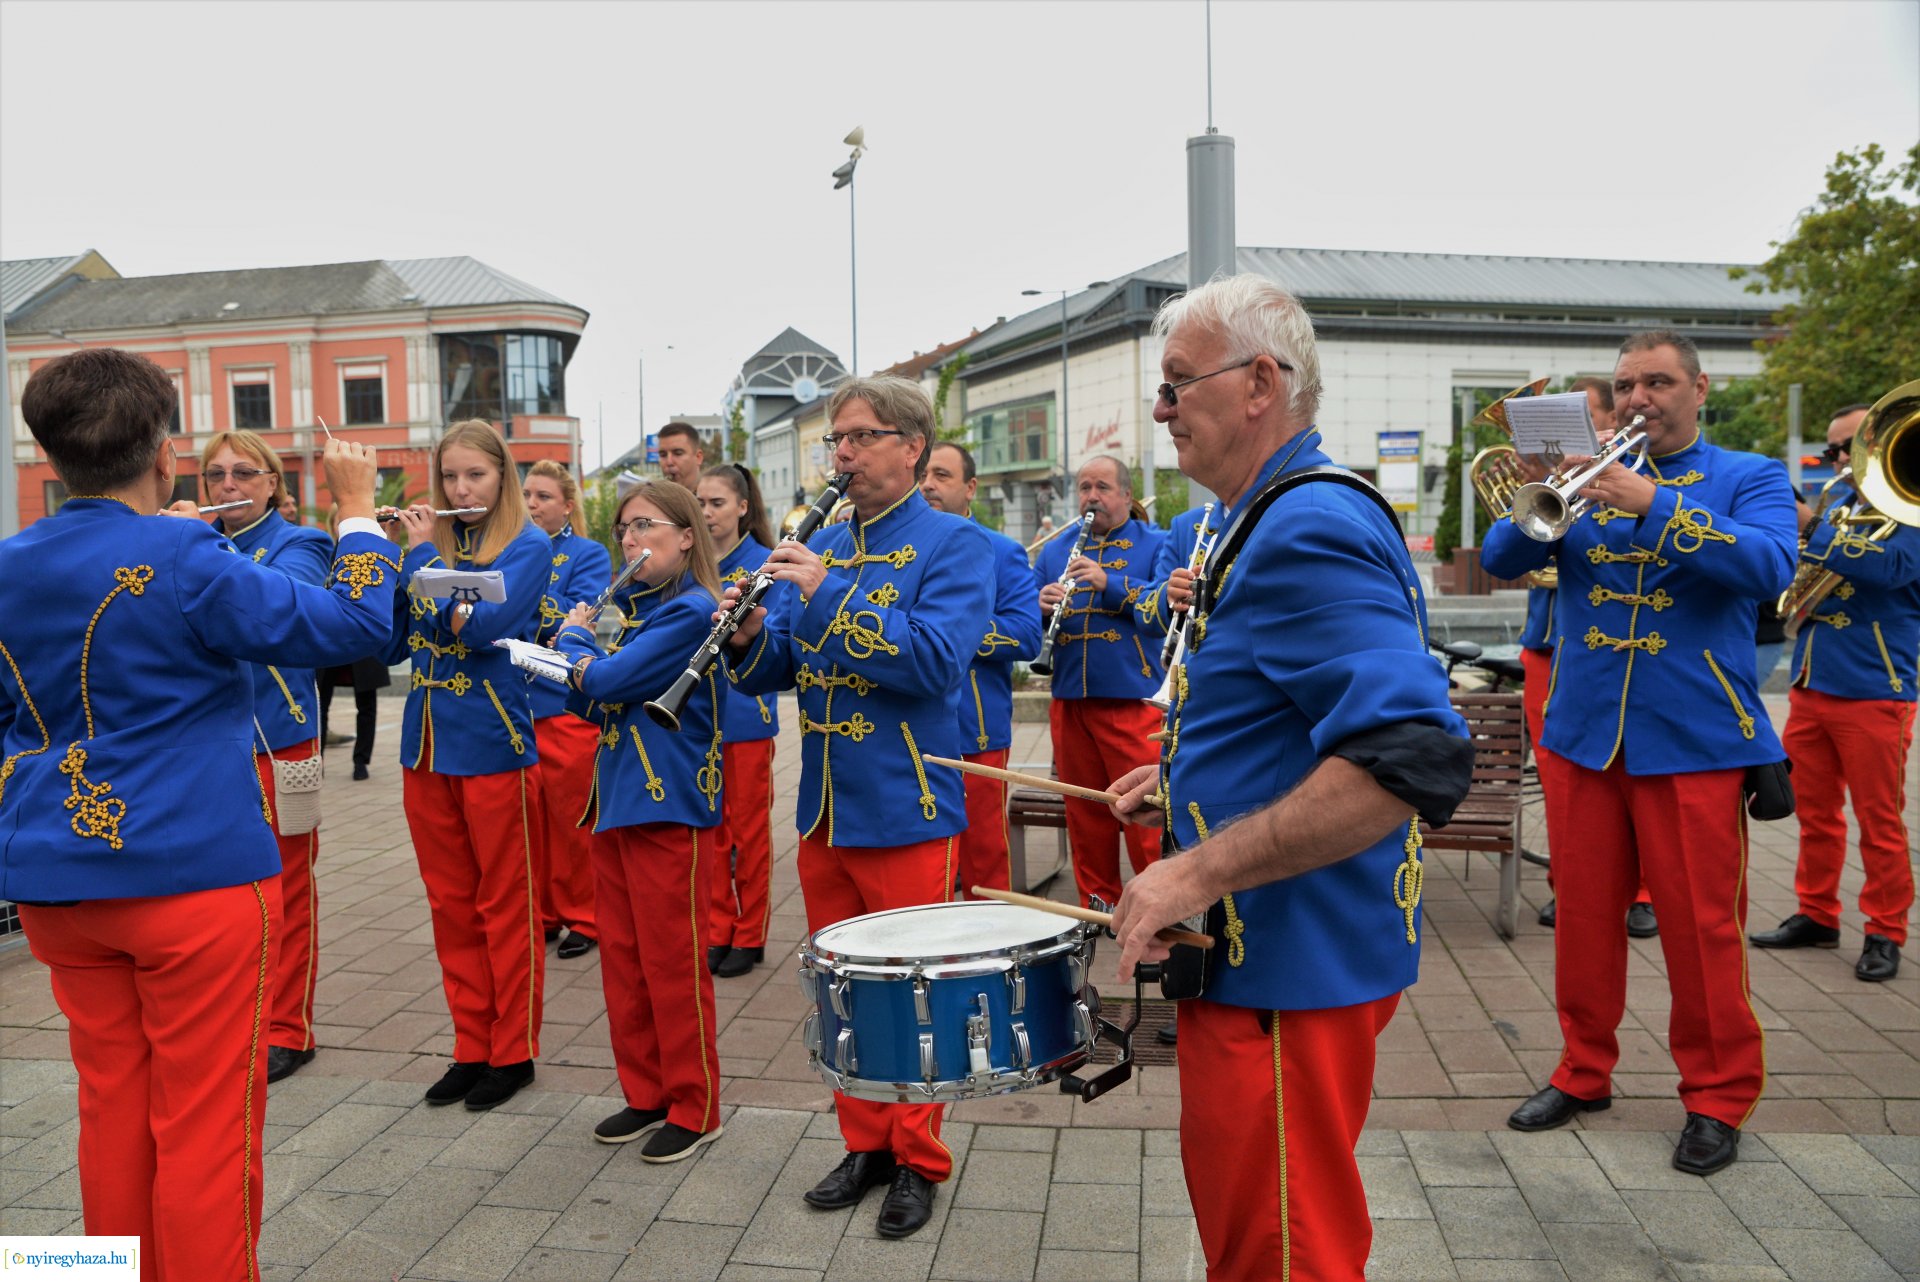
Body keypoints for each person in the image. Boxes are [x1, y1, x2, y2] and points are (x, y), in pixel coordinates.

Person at [2, 347, 400, 1280]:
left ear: (52, 455)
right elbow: (352, 629)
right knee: (207, 1126)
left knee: (111, 1109)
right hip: (193, 876)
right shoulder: (184, 549)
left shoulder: (10, 564)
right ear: (165, 451)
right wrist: (354, 512)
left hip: (60, 879)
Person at [1105, 275, 1473, 1282]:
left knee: (1280, 1246)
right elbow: (1295, 715)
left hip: (1282, 959)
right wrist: (1181, 777)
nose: (1160, 408)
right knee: (1258, 1228)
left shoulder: (1304, 523)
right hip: (1279, 952)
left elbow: (1408, 757)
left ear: (1259, 381)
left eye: (1178, 383)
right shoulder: (1267, 511)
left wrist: (1191, 871)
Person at [1484, 330, 1797, 1176]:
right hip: (1587, 735)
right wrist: (1547, 490)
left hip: (1692, 738)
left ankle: (1717, 1097)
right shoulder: (1583, 481)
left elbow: (1771, 566)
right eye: (1626, 385)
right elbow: (1501, 556)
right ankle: (1583, 1071)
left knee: (1701, 929)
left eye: (1658, 382)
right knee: (1584, 920)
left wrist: (1651, 503)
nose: (1638, 400)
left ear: (1700, 389)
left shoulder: (1750, 476)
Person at [725, 375, 991, 1239]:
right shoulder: (830, 539)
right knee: (842, 992)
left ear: (910, 446)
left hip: (908, 805)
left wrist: (822, 594)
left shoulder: (956, 543)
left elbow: (935, 663)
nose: (841, 454)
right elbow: (789, 669)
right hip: (827, 811)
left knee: (917, 994)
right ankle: (865, 1142)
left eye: (859, 436)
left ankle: (920, 1158)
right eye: (836, 440)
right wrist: (747, 638)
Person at [550, 480, 728, 1161]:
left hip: (670, 801)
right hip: (620, 797)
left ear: (687, 537)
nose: (629, 540)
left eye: (646, 526)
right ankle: (647, 1090)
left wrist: (570, 647)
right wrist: (570, 665)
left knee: (671, 961)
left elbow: (604, 684)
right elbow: (594, 704)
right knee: (624, 962)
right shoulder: (638, 612)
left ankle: (696, 1103)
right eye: (623, 529)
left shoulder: (690, 610)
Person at [385, 420, 552, 1111]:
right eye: (449, 476)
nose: (460, 489)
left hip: (491, 743)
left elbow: (482, 629)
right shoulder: (433, 549)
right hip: (424, 744)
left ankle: (512, 1050)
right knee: (450, 905)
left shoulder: (530, 544)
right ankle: (469, 1045)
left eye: (474, 476)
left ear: (501, 477)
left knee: (504, 905)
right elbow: (392, 645)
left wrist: (424, 557)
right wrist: (389, 561)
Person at [1750, 401, 1918, 982]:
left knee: (1881, 820)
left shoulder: (1913, 509)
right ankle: (1817, 913)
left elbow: (1892, 569)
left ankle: (1885, 930)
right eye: (1832, 451)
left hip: (1877, 684)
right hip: (1813, 678)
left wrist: (1811, 529)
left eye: (1846, 448)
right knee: (1816, 813)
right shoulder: (1840, 503)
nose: (1837, 461)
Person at [198, 429, 336, 1085]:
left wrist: (196, 551)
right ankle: (239, 1020)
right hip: (208, 747)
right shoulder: (196, 545)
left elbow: (283, 603)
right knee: (218, 895)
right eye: (215, 475)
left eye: (244, 474)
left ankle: (289, 1029)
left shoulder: (299, 542)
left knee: (288, 892)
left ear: (274, 485)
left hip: (281, 744)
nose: (228, 486)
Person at [1532, 377, 1658, 939]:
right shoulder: (1568, 481)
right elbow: (1508, 556)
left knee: (1643, 787)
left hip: (1633, 662)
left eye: (1579, 417)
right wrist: (1537, 484)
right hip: (1554, 648)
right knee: (1562, 786)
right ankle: (1572, 883)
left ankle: (1644, 893)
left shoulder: (1633, 477)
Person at [1035, 456, 1166, 911]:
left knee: (1144, 809)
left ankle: (1161, 904)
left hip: (1134, 700)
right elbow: (1027, 622)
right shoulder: (1057, 550)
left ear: (1127, 495)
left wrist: (1109, 581)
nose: (1092, 496)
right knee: (1084, 810)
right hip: (1070, 699)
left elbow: (1162, 607)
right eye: (1085, 487)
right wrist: (1041, 606)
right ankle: (1098, 904)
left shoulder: (1156, 543)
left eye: (1103, 487)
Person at [918, 441, 1042, 898]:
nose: (928, 484)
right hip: (909, 730)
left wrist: (953, 629)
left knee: (984, 860)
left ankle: (990, 963)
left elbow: (1027, 636)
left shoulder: (1003, 551)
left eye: (942, 475)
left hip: (975, 729)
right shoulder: (904, 548)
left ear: (971, 488)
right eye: (924, 474)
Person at [524, 459, 612, 961]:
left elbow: (578, 614)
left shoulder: (589, 553)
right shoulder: (508, 547)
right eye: (528, 495)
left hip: (563, 703)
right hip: (516, 704)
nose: (533, 505)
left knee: (571, 818)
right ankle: (542, 913)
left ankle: (583, 914)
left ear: (568, 506)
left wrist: (513, 592)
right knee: (529, 822)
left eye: (544, 497)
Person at [697, 462, 782, 977]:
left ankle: (750, 933)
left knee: (748, 832)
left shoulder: (764, 562)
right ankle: (717, 926)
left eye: (718, 504)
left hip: (747, 714)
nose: (707, 514)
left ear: (743, 507)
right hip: (699, 713)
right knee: (712, 830)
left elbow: (774, 634)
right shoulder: (694, 561)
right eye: (701, 503)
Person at [657, 421, 706, 490]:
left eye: (678, 453)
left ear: (698, 457)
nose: (669, 462)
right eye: (663, 455)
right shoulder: (652, 499)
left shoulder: (717, 496)